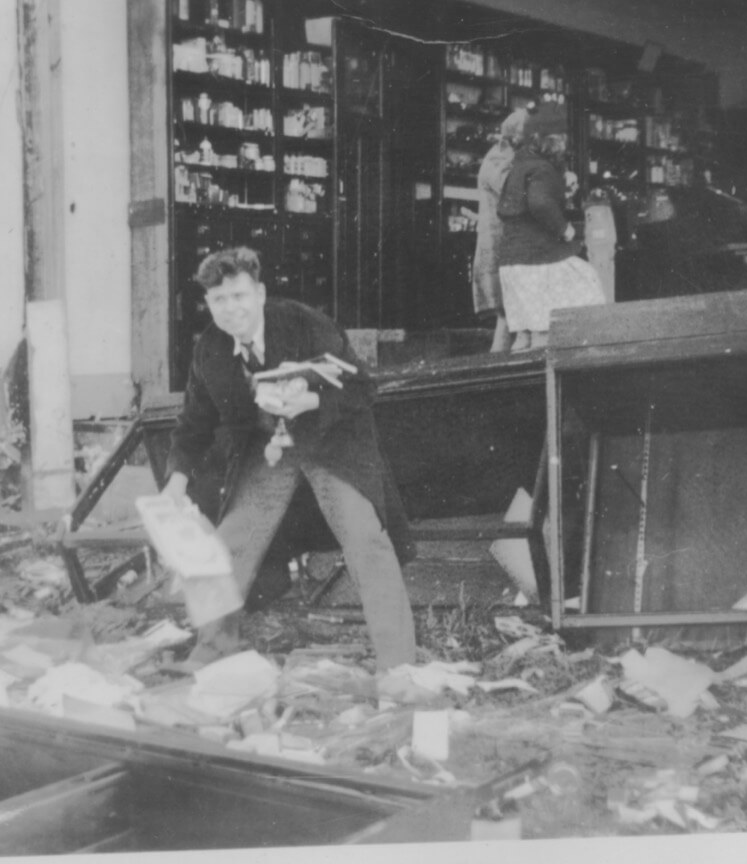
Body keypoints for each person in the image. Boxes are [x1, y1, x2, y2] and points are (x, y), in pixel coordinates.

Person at [162, 246, 417, 671]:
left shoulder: (302, 321)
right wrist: (176, 480)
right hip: (272, 451)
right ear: (208, 304)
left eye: (240, 296)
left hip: (330, 443)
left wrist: (312, 401)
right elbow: (193, 425)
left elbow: (362, 388)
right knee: (230, 544)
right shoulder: (209, 349)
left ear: (260, 294)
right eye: (220, 300)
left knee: (365, 538)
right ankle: (211, 652)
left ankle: (399, 667)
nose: (232, 310)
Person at [496, 103, 605, 350]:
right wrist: (565, 229)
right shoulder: (543, 168)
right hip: (536, 262)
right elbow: (540, 203)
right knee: (586, 279)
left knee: (523, 338)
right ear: (554, 140)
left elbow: (511, 206)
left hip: (511, 265)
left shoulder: (519, 165)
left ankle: (521, 385)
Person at [472, 109, 528, 353]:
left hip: (507, 245)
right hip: (501, 247)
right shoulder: (498, 159)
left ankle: (496, 375)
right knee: (514, 317)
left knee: (508, 318)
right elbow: (514, 192)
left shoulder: (507, 156)